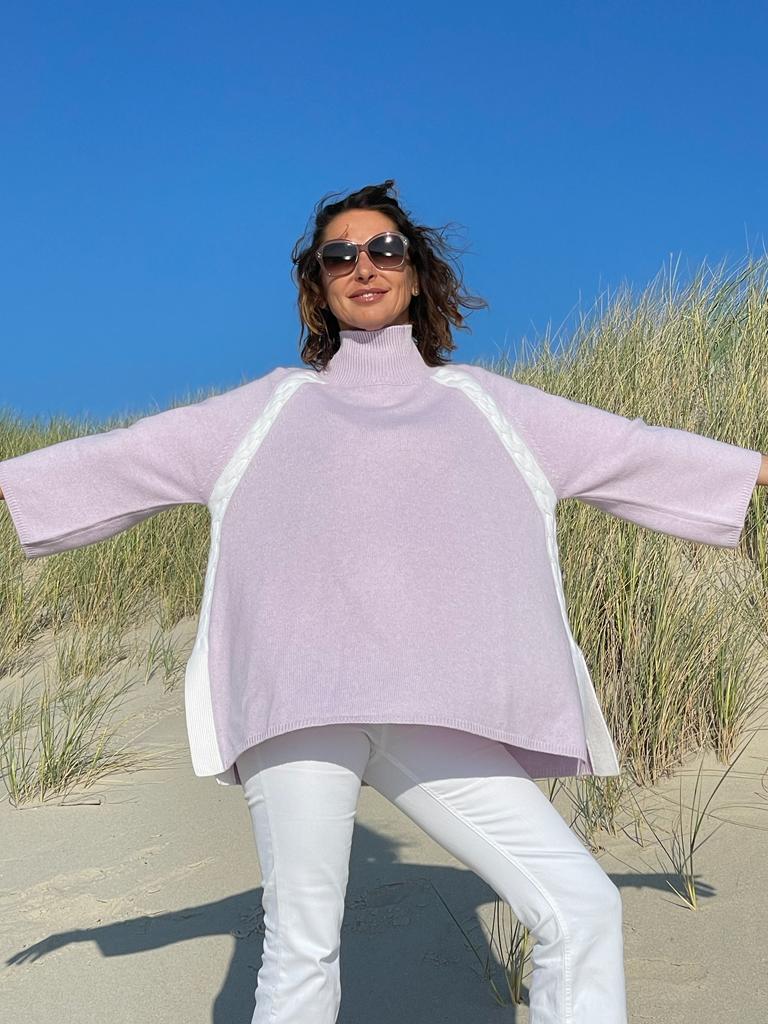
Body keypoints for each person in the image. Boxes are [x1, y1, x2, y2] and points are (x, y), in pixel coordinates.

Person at [1, 179, 766, 1024]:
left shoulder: (490, 405)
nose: (363, 266)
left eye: (383, 249)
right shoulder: (265, 408)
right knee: (302, 944)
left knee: (580, 905)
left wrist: (755, 472)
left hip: (432, 708)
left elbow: (632, 452)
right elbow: (125, 458)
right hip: (299, 709)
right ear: (318, 285)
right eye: (339, 256)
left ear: (416, 271)